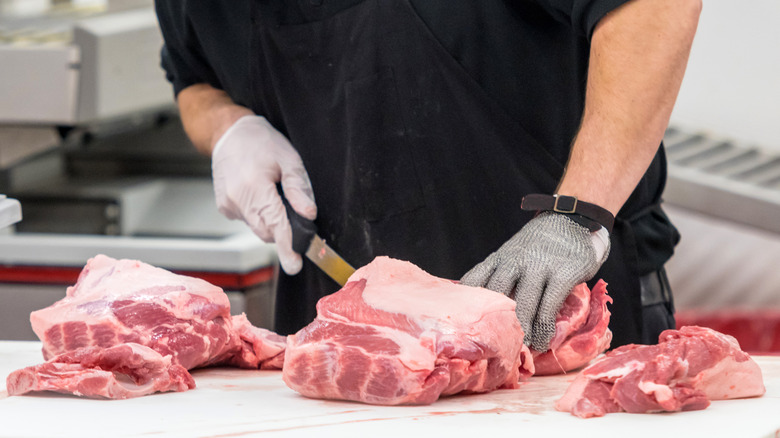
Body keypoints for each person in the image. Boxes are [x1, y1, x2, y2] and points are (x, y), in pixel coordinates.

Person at [155, 0, 701, 350]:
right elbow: (192, 77)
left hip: (558, 321)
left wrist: (575, 216)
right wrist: (228, 128)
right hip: (348, 344)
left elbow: (654, 8)